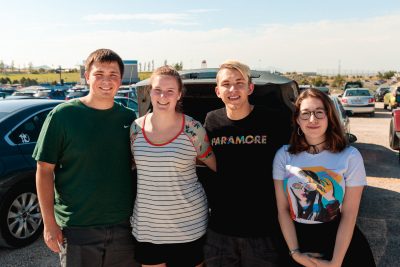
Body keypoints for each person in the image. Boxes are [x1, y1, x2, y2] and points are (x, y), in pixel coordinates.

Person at [33, 48, 137, 267]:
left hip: (123, 227)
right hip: (77, 228)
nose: (106, 81)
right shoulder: (63, 116)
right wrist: (49, 224)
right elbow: (44, 171)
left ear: (121, 80)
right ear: (87, 76)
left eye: (113, 75)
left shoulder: (128, 118)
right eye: (99, 74)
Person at [273, 88, 376, 267]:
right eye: (305, 114)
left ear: (329, 116)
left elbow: (350, 214)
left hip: (340, 246)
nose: (312, 119)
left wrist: (336, 262)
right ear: (297, 119)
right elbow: (282, 209)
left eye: (319, 113)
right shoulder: (284, 155)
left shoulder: (350, 155)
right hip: (295, 243)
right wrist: (295, 253)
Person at [203, 60, 292, 266]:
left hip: (264, 232)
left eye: (239, 83)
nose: (233, 89)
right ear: (217, 91)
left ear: (250, 88)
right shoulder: (211, 121)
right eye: (226, 84)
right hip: (220, 231)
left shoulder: (273, 120)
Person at [129, 65, 216, 267]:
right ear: (150, 91)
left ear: (179, 95)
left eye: (170, 91)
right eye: (157, 90)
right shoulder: (136, 128)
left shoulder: (193, 129)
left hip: (190, 224)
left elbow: (214, 165)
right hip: (147, 226)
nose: (163, 96)